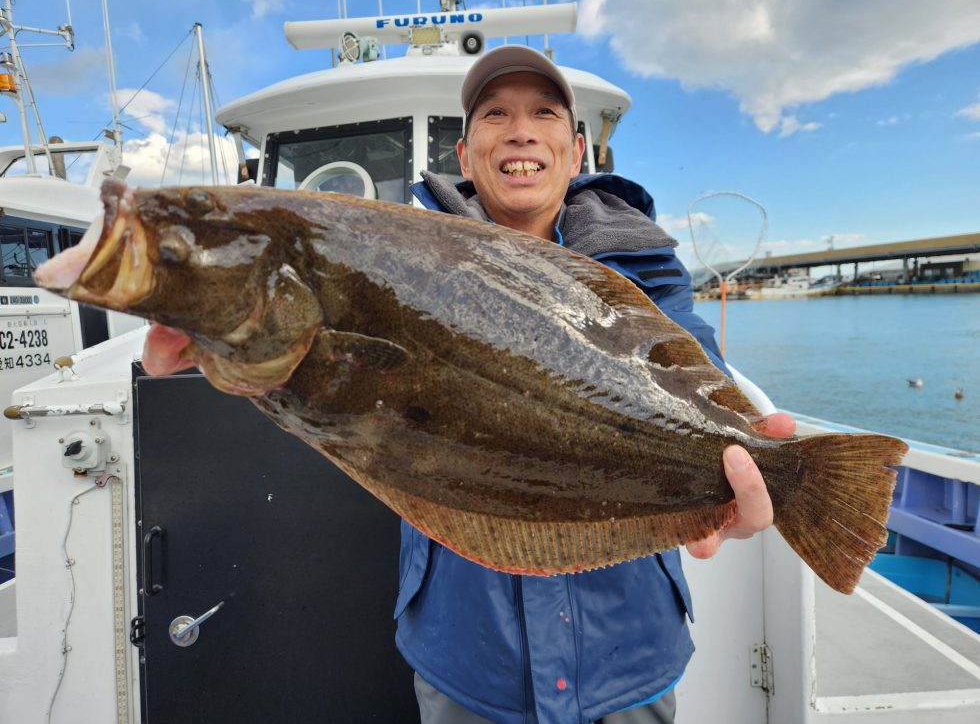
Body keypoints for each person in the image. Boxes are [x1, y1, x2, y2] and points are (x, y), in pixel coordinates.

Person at [142, 45, 795, 724]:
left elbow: (698, 370)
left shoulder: (645, 265)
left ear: (576, 153)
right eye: (495, 114)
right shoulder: (392, 263)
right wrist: (225, 332)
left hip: (626, 652)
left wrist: (735, 474)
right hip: (468, 657)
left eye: (544, 113)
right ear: (463, 153)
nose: (520, 131)